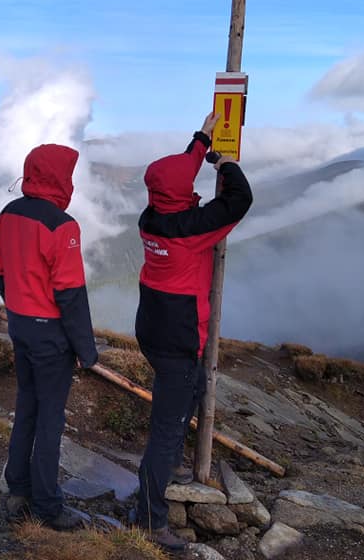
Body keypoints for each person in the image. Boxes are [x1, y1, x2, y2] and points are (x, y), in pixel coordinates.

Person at [133, 111, 253, 551]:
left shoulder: (152, 216)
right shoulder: (190, 229)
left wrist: (201, 138)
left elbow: (174, 182)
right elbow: (240, 199)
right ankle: (149, 518)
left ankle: (171, 469)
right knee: (166, 428)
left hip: (153, 326)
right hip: (178, 336)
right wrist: (223, 163)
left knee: (193, 389)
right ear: (179, 196)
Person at [0, 143, 99, 531]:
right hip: (50, 334)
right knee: (50, 419)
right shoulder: (62, 225)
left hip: (19, 325)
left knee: (27, 408)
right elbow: (70, 294)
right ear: (60, 177)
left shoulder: (8, 213)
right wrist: (86, 350)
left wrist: (17, 305)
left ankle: (17, 490)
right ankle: (48, 506)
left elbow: (0, 271)